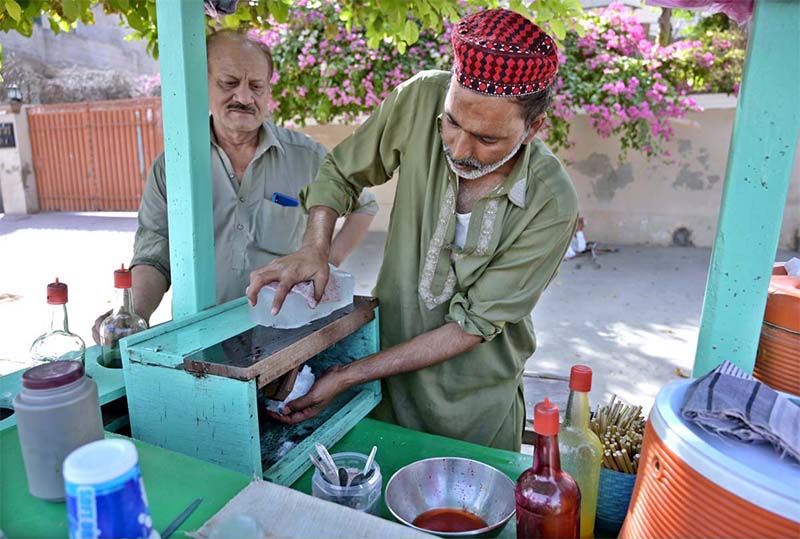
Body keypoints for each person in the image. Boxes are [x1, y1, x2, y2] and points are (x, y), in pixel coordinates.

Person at [247, 9, 578, 451]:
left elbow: (472, 325)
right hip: (387, 391)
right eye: (452, 122)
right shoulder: (421, 98)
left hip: (477, 409)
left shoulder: (551, 201)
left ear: (533, 128)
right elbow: (342, 173)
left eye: (487, 139)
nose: (460, 149)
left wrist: (347, 374)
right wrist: (314, 247)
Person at [92, 31, 376, 343]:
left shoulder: (308, 158)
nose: (244, 97)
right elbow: (154, 256)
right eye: (229, 83)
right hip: (199, 340)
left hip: (286, 334)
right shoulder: (173, 167)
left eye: (256, 86)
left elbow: (364, 207)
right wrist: (135, 314)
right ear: (203, 85)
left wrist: (323, 260)